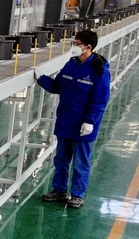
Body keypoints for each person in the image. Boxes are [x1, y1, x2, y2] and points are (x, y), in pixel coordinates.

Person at [34, 29, 111, 209]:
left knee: (80, 162)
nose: (73, 46)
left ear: (88, 47)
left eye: (77, 44)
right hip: (65, 121)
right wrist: (41, 78)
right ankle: (59, 190)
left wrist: (90, 121)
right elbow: (57, 86)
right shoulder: (71, 64)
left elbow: (100, 100)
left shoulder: (99, 71)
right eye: (73, 43)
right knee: (61, 159)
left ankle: (77, 195)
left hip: (83, 126)